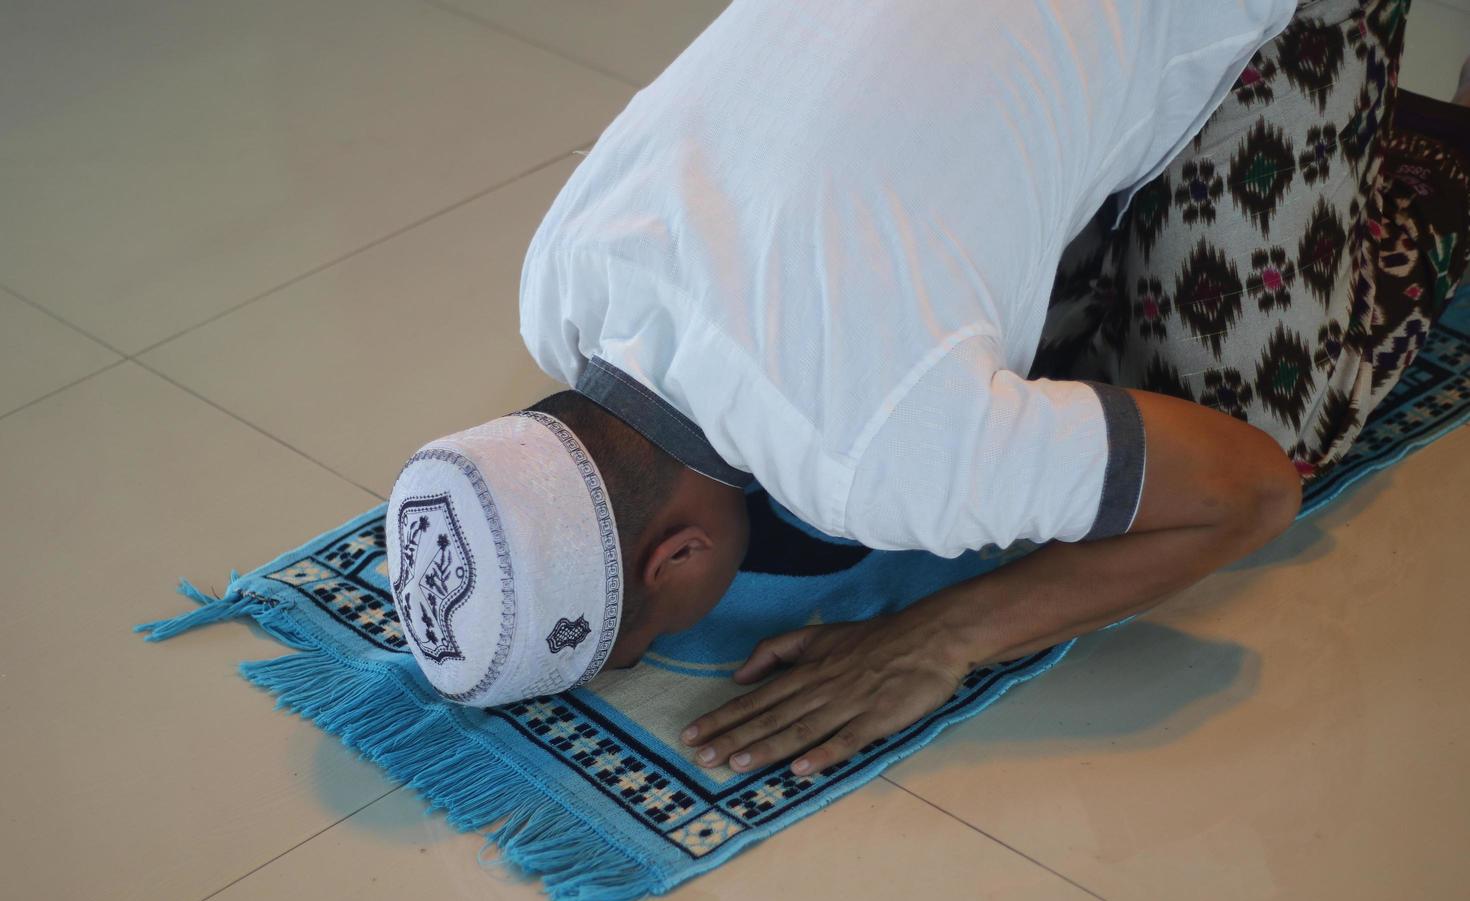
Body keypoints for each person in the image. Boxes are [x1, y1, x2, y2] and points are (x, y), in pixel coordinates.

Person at [386, 0, 1465, 778]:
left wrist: (947, 633)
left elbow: (1251, 490)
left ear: (680, 559)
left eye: (644, 640)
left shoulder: (880, 457)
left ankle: (1424, 162)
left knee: (1253, 409)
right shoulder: (558, 278)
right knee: (1037, 345)